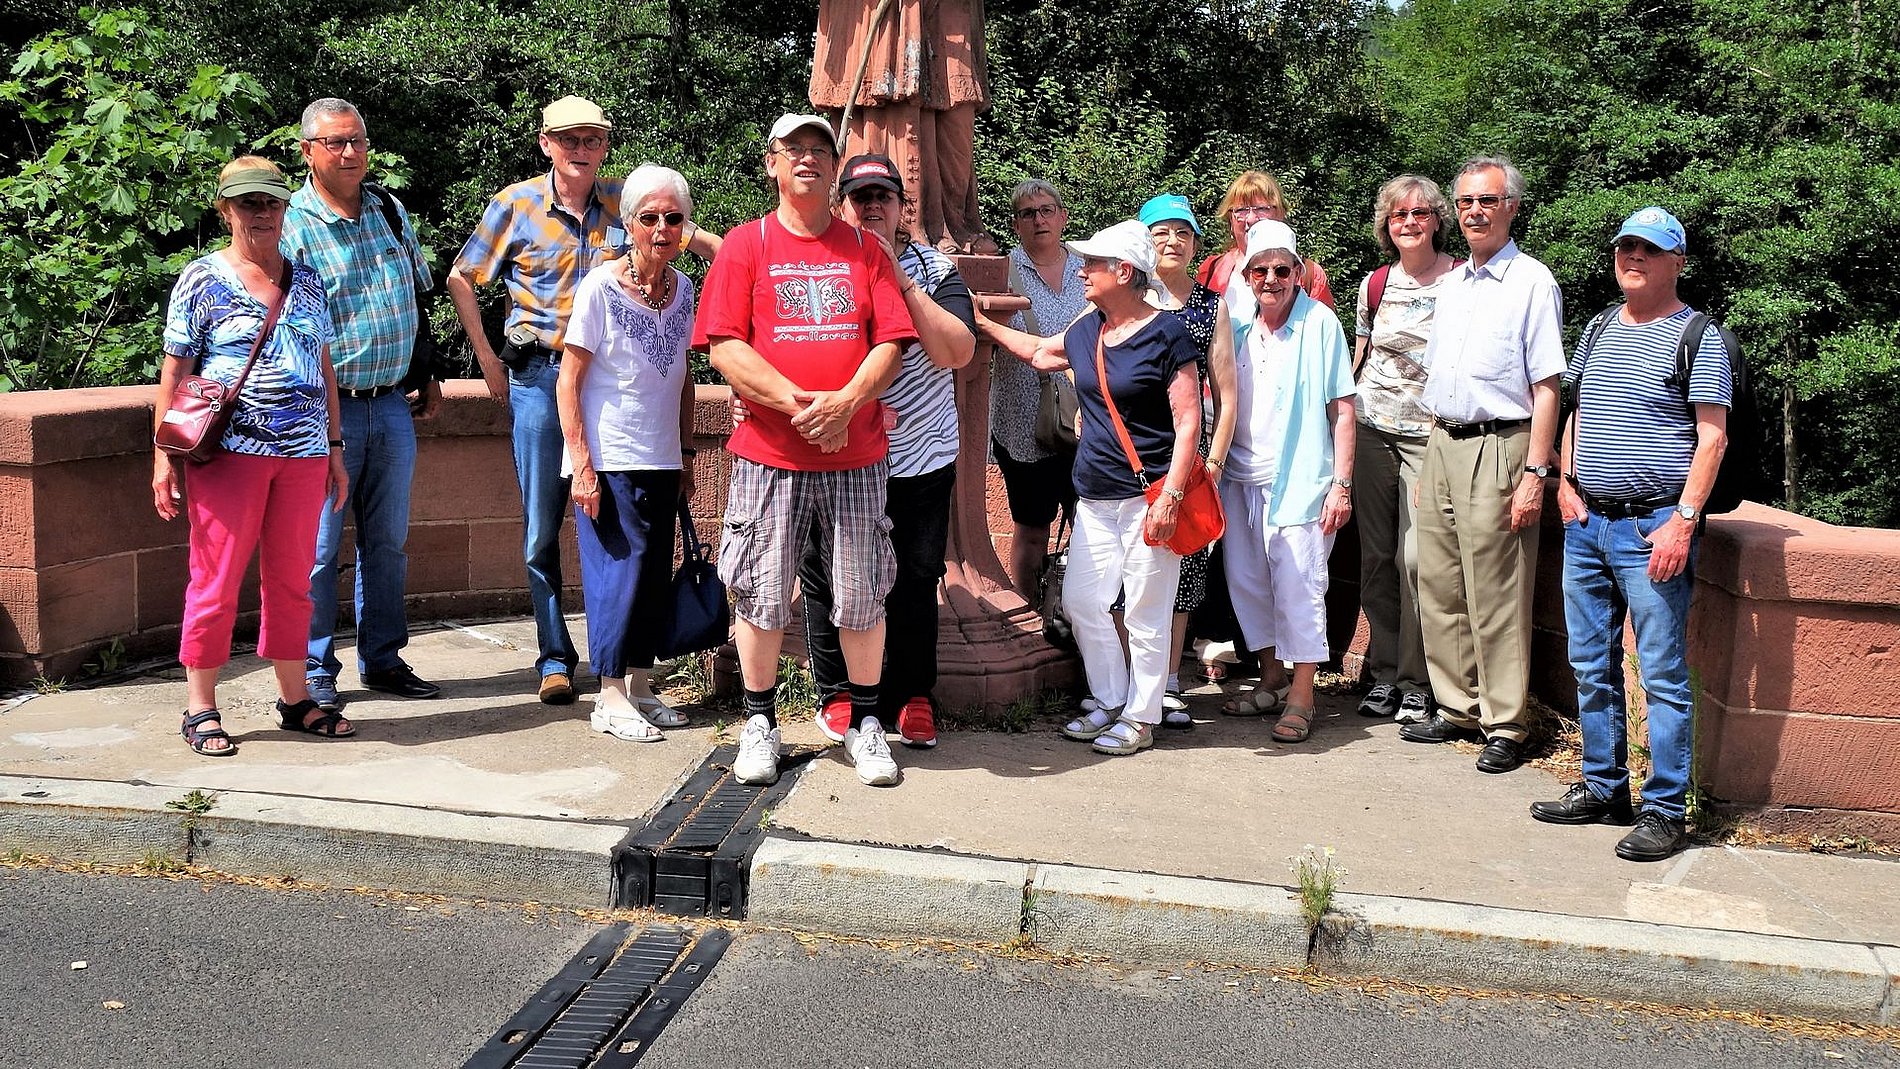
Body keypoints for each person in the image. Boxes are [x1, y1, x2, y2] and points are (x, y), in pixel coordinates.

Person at [447, 97, 718, 706]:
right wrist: (486, 358)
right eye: (567, 138)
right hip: (545, 375)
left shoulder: (630, 203)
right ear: (546, 143)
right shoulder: (516, 204)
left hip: (614, 386)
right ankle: (555, 656)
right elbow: (462, 276)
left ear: (605, 146)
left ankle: (619, 663)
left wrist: (756, 266)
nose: (579, 149)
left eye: (591, 138)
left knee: (620, 536)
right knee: (543, 525)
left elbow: (707, 245)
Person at [694, 114, 916, 787]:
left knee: (861, 592)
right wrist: (806, 408)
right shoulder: (746, 245)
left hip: (857, 455)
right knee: (761, 591)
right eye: (795, 149)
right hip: (770, 454)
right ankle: (760, 721)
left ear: (834, 166)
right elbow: (725, 347)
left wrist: (847, 402)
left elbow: (891, 343)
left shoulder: (868, 250)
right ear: (772, 162)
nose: (808, 159)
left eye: (821, 149)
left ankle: (866, 723)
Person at [1531, 207, 1730, 862]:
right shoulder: (1597, 326)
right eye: (1625, 247)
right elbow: (1574, 409)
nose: (1633, 258)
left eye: (1649, 249)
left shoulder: (1698, 336)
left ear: (1677, 261)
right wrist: (1564, 482)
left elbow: (1712, 438)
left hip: (1653, 529)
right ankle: (1603, 786)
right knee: (1591, 664)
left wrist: (1684, 521)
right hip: (1587, 522)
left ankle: (1666, 810)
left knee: (1663, 674)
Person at [152, 157, 350, 756]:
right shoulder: (201, 279)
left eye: (271, 202)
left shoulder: (308, 280)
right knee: (215, 580)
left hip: (304, 454)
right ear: (226, 209)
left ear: (286, 208)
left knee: (294, 581)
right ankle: (200, 706)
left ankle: (295, 699)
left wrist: (334, 448)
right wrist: (162, 456)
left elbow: (323, 369)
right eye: (248, 203)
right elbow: (175, 372)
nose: (262, 213)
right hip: (230, 454)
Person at [1399, 155, 1565, 775]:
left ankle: (1505, 722)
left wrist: (1535, 474)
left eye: (1487, 200)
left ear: (1511, 208)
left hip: (1501, 446)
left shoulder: (1531, 282)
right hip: (1443, 441)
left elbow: (1547, 387)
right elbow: (1437, 379)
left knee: (1496, 591)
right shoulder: (1453, 285)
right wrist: (1429, 459)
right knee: (1438, 580)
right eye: (1466, 201)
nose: (1474, 212)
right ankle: (1457, 706)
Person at [806, 153, 975, 750]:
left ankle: (911, 694)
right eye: (860, 196)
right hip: (839, 454)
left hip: (919, 455)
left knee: (914, 577)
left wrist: (898, 277)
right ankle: (838, 693)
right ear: (841, 204)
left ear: (903, 207)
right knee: (827, 574)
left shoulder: (935, 270)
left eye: (884, 195)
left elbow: (957, 352)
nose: (872, 205)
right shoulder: (818, 265)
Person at [281, 97, 441, 716]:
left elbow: (416, 296)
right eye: (335, 143)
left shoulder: (389, 210)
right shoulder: (292, 225)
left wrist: (426, 373)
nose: (349, 153)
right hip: (323, 411)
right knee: (318, 549)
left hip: (391, 402)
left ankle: (383, 658)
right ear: (308, 151)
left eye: (357, 141)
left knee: (388, 543)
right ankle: (314, 667)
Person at [1031, 221, 1201, 757]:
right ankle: (1109, 698)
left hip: (1150, 496)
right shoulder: (1087, 329)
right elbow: (1039, 353)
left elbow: (1189, 421)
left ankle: (1141, 716)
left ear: (1124, 272)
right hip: (1095, 497)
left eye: (1092, 263)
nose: (1082, 270)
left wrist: (1171, 497)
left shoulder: (1168, 333)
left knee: (1146, 612)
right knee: (1082, 601)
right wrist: (978, 322)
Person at [557, 164, 702, 743]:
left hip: (661, 455)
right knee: (617, 575)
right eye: (650, 218)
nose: (662, 229)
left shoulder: (683, 288)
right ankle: (610, 695)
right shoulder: (599, 287)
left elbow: (685, 376)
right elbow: (569, 382)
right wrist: (582, 466)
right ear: (629, 223)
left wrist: (685, 451)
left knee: (651, 576)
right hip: (610, 457)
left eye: (674, 218)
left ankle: (639, 685)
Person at [1214, 220, 1356, 743]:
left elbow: (1343, 409)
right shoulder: (1236, 325)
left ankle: (1302, 694)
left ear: (1298, 272)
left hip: (1300, 481)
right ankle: (1271, 679)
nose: (1270, 279)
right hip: (1240, 478)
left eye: (1280, 269)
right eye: (1260, 270)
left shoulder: (1320, 323)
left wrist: (1341, 484)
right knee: (1248, 583)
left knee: (1300, 588)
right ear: (1246, 275)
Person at [1350, 175, 1460, 724]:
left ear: (1438, 220)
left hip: (1428, 435)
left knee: (1416, 559)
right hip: (1371, 430)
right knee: (1376, 557)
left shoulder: (1461, 281)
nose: (1410, 222)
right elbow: (1360, 357)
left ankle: (1418, 680)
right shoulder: (1375, 284)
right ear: (1386, 225)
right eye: (1399, 215)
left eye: (1420, 213)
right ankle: (1385, 672)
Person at [1139, 194, 1237, 724]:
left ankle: (1170, 679)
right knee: (1130, 569)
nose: (1172, 241)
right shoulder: (1127, 296)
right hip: (1129, 454)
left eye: (1182, 232)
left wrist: (1213, 463)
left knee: (1184, 568)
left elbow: (1226, 394)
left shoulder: (1209, 306)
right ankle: (1131, 681)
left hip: (1187, 456)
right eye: (1161, 232)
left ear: (1196, 243)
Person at [809, 0, 992, 253]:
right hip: (868, 13)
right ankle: (890, 227)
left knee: (957, 114)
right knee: (878, 107)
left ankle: (953, 224)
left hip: (946, 14)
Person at [977, 179, 1087, 599]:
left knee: (1091, 528)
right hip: (1024, 427)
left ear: (1063, 217)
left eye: (1046, 210)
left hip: (1088, 421)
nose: (1038, 220)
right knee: (1031, 529)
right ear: (1015, 224)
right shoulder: (1002, 273)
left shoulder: (1088, 267)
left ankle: (1084, 620)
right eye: (1027, 213)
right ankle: (1030, 614)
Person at [1196, 170, 1336, 317]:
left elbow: (1325, 328)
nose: (1251, 219)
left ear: (1280, 214)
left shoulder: (1310, 275)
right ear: (1230, 219)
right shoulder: (1211, 271)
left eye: (1262, 209)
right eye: (1241, 210)